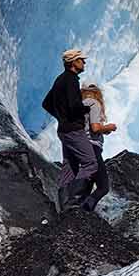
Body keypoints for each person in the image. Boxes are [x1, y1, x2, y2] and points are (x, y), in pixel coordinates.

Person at [42, 48, 97, 212]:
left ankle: (62, 206)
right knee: (90, 163)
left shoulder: (60, 80)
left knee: (70, 166)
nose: (84, 62)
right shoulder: (72, 80)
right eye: (81, 60)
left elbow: (46, 103)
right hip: (74, 130)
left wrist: (61, 117)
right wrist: (85, 110)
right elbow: (74, 106)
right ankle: (74, 200)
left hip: (64, 130)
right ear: (73, 62)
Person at [79, 83, 117, 212]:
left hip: (80, 147)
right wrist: (109, 127)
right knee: (103, 187)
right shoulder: (93, 103)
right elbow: (95, 128)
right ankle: (86, 210)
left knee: (87, 184)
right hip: (92, 148)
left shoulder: (80, 106)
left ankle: (79, 213)